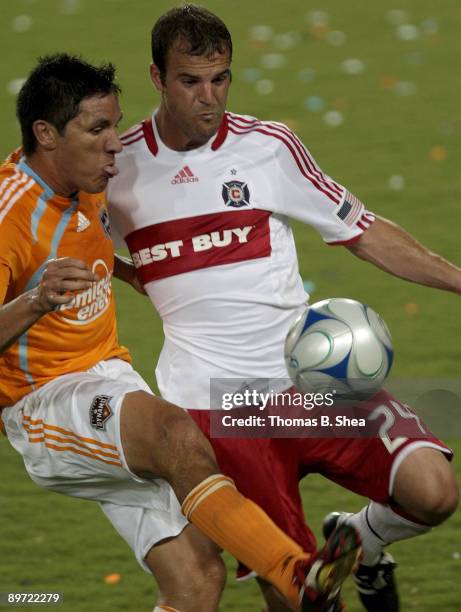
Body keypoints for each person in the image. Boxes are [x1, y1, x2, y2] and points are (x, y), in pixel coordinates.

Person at [107, 6, 459, 612]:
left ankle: (365, 543)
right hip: (221, 407)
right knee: (298, 594)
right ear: (157, 78)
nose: (208, 97)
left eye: (221, 78)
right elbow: (69, 242)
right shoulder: (117, 167)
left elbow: (364, 230)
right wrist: (134, 272)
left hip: (314, 380)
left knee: (434, 490)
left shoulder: (268, 147)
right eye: (190, 81)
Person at [0, 53, 363, 612]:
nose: (115, 144)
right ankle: (297, 575)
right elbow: (38, 270)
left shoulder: (88, 178)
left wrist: (128, 269)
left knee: (196, 580)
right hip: (43, 402)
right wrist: (35, 300)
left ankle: (292, 576)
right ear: (46, 134)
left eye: (115, 125)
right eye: (97, 130)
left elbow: (78, 247)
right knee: (176, 434)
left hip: (109, 375)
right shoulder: (8, 217)